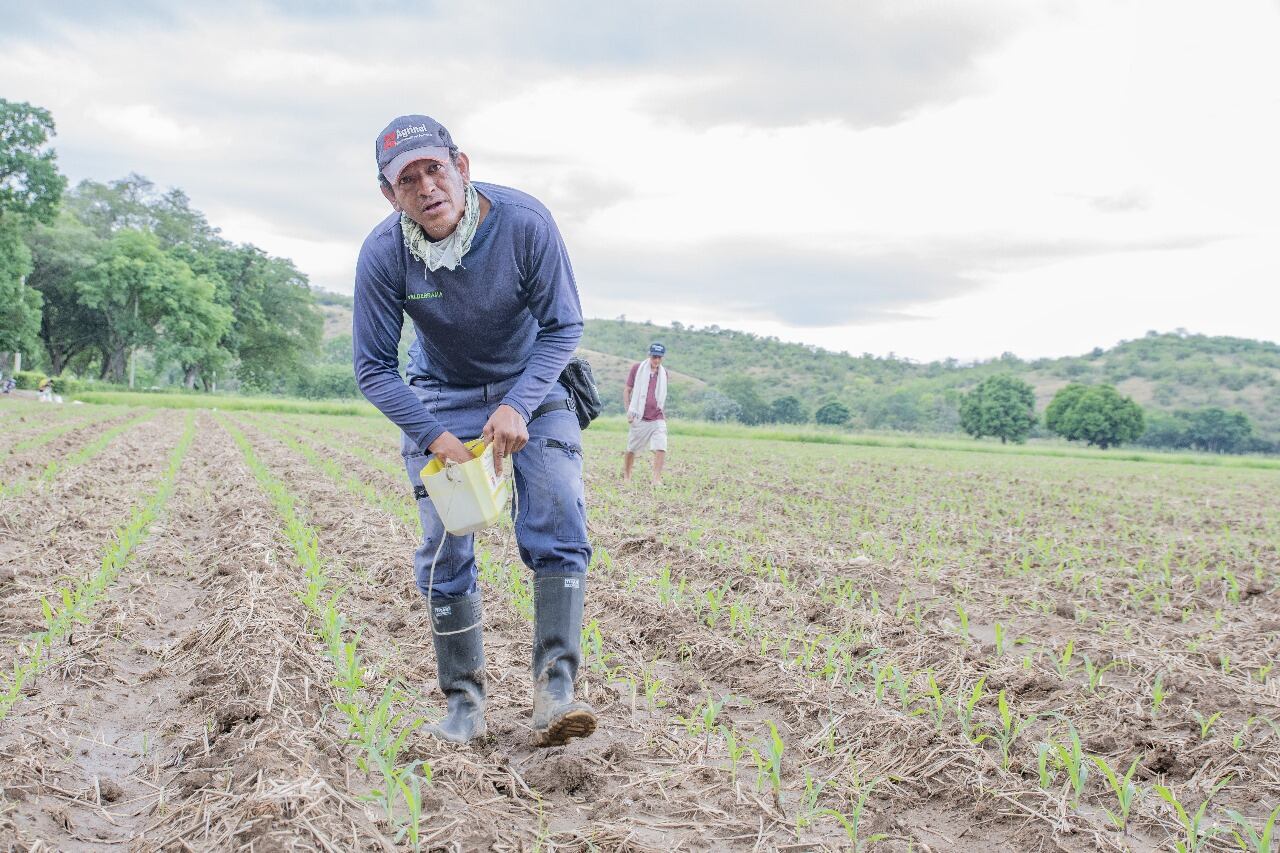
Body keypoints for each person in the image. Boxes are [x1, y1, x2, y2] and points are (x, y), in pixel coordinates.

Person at [353, 115, 595, 747]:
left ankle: (555, 691)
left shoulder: (524, 222)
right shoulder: (385, 254)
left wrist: (518, 403)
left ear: (461, 167)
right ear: (390, 194)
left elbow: (564, 327)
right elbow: (372, 369)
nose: (427, 186)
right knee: (445, 539)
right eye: (408, 179)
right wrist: (435, 435)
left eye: (435, 168)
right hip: (443, 395)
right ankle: (463, 704)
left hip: (534, 385)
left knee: (557, 508)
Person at [623, 343, 669, 485]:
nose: (657, 360)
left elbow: (661, 395)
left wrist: (663, 413)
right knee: (632, 449)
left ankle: (656, 479)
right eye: (654, 357)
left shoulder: (663, 373)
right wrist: (628, 411)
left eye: (659, 358)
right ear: (649, 355)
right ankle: (627, 476)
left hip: (657, 416)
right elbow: (627, 390)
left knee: (661, 446)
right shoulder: (637, 368)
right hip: (639, 415)